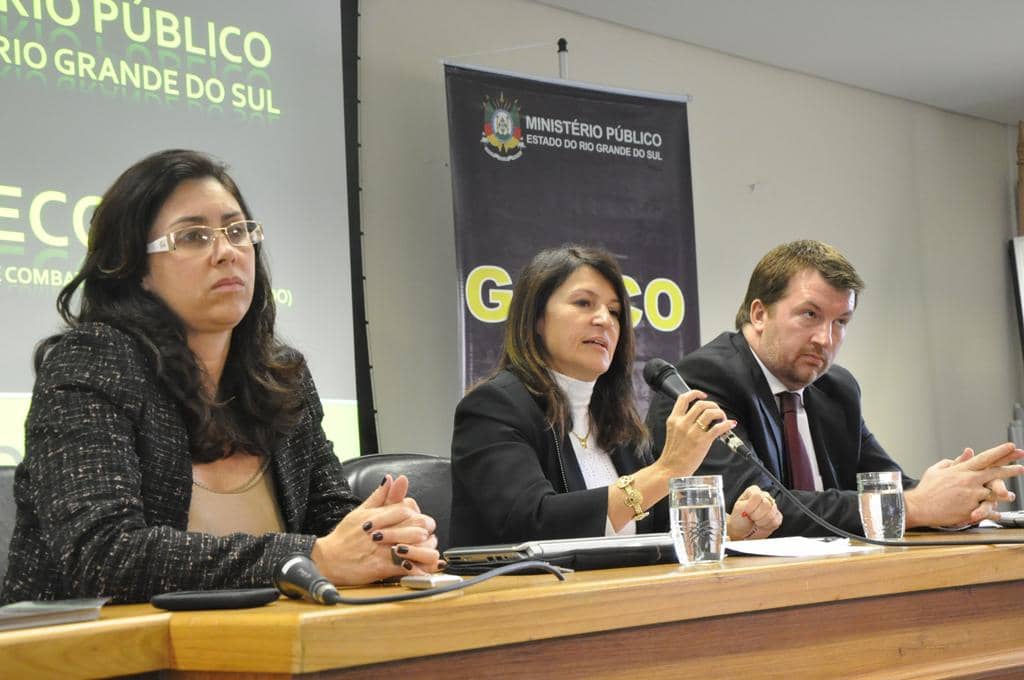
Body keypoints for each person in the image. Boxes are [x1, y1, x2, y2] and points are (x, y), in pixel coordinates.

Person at [0, 150, 440, 604]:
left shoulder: (281, 376)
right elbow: (105, 557)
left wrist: (387, 539)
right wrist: (314, 557)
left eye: (236, 231)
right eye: (192, 236)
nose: (226, 252)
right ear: (136, 270)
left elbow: (328, 517)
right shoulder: (92, 364)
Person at [645, 239, 1024, 536]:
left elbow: (885, 484)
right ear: (759, 314)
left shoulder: (836, 389)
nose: (825, 339)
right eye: (810, 315)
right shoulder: (700, 382)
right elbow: (763, 508)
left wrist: (958, 495)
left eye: (841, 322)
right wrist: (917, 506)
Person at [450, 244, 782, 547]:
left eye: (614, 312)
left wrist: (731, 528)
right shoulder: (493, 409)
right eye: (583, 303)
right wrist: (668, 469)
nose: (604, 320)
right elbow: (531, 523)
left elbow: (661, 525)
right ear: (537, 318)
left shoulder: (617, 423)